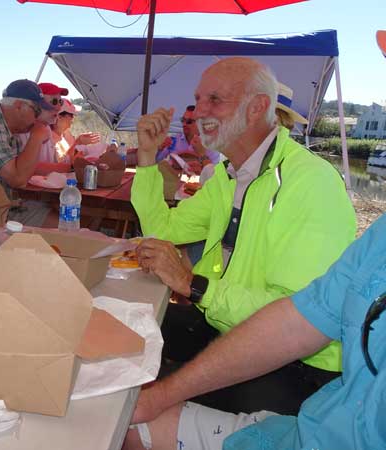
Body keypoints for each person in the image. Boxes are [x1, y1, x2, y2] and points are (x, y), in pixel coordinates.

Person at [130, 57, 356, 415]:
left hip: (297, 369)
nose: (199, 110)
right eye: (198, 98)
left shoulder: (311, 182)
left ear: (257, 108)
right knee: (126, 336)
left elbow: (299, 321)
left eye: (214, 100)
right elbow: (164, 231)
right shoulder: (229, 175)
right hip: (226, 326)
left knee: (127, 407)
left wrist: (194, 284)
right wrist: (146, 156)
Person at [124, 212, 386, 450]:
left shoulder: (311, 181)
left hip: (299, 376)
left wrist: (194, 286)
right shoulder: (380, 237)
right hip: (307, 427)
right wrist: (158, 398)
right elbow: (297, 322)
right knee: (128, 417)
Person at [50, 99, 101, 165]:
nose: (73, 118)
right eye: (71, 115)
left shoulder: (66, 134)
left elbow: (71, 155)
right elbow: (61, 164)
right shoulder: (48, 139)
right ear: (59, 117)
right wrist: (78, 142)